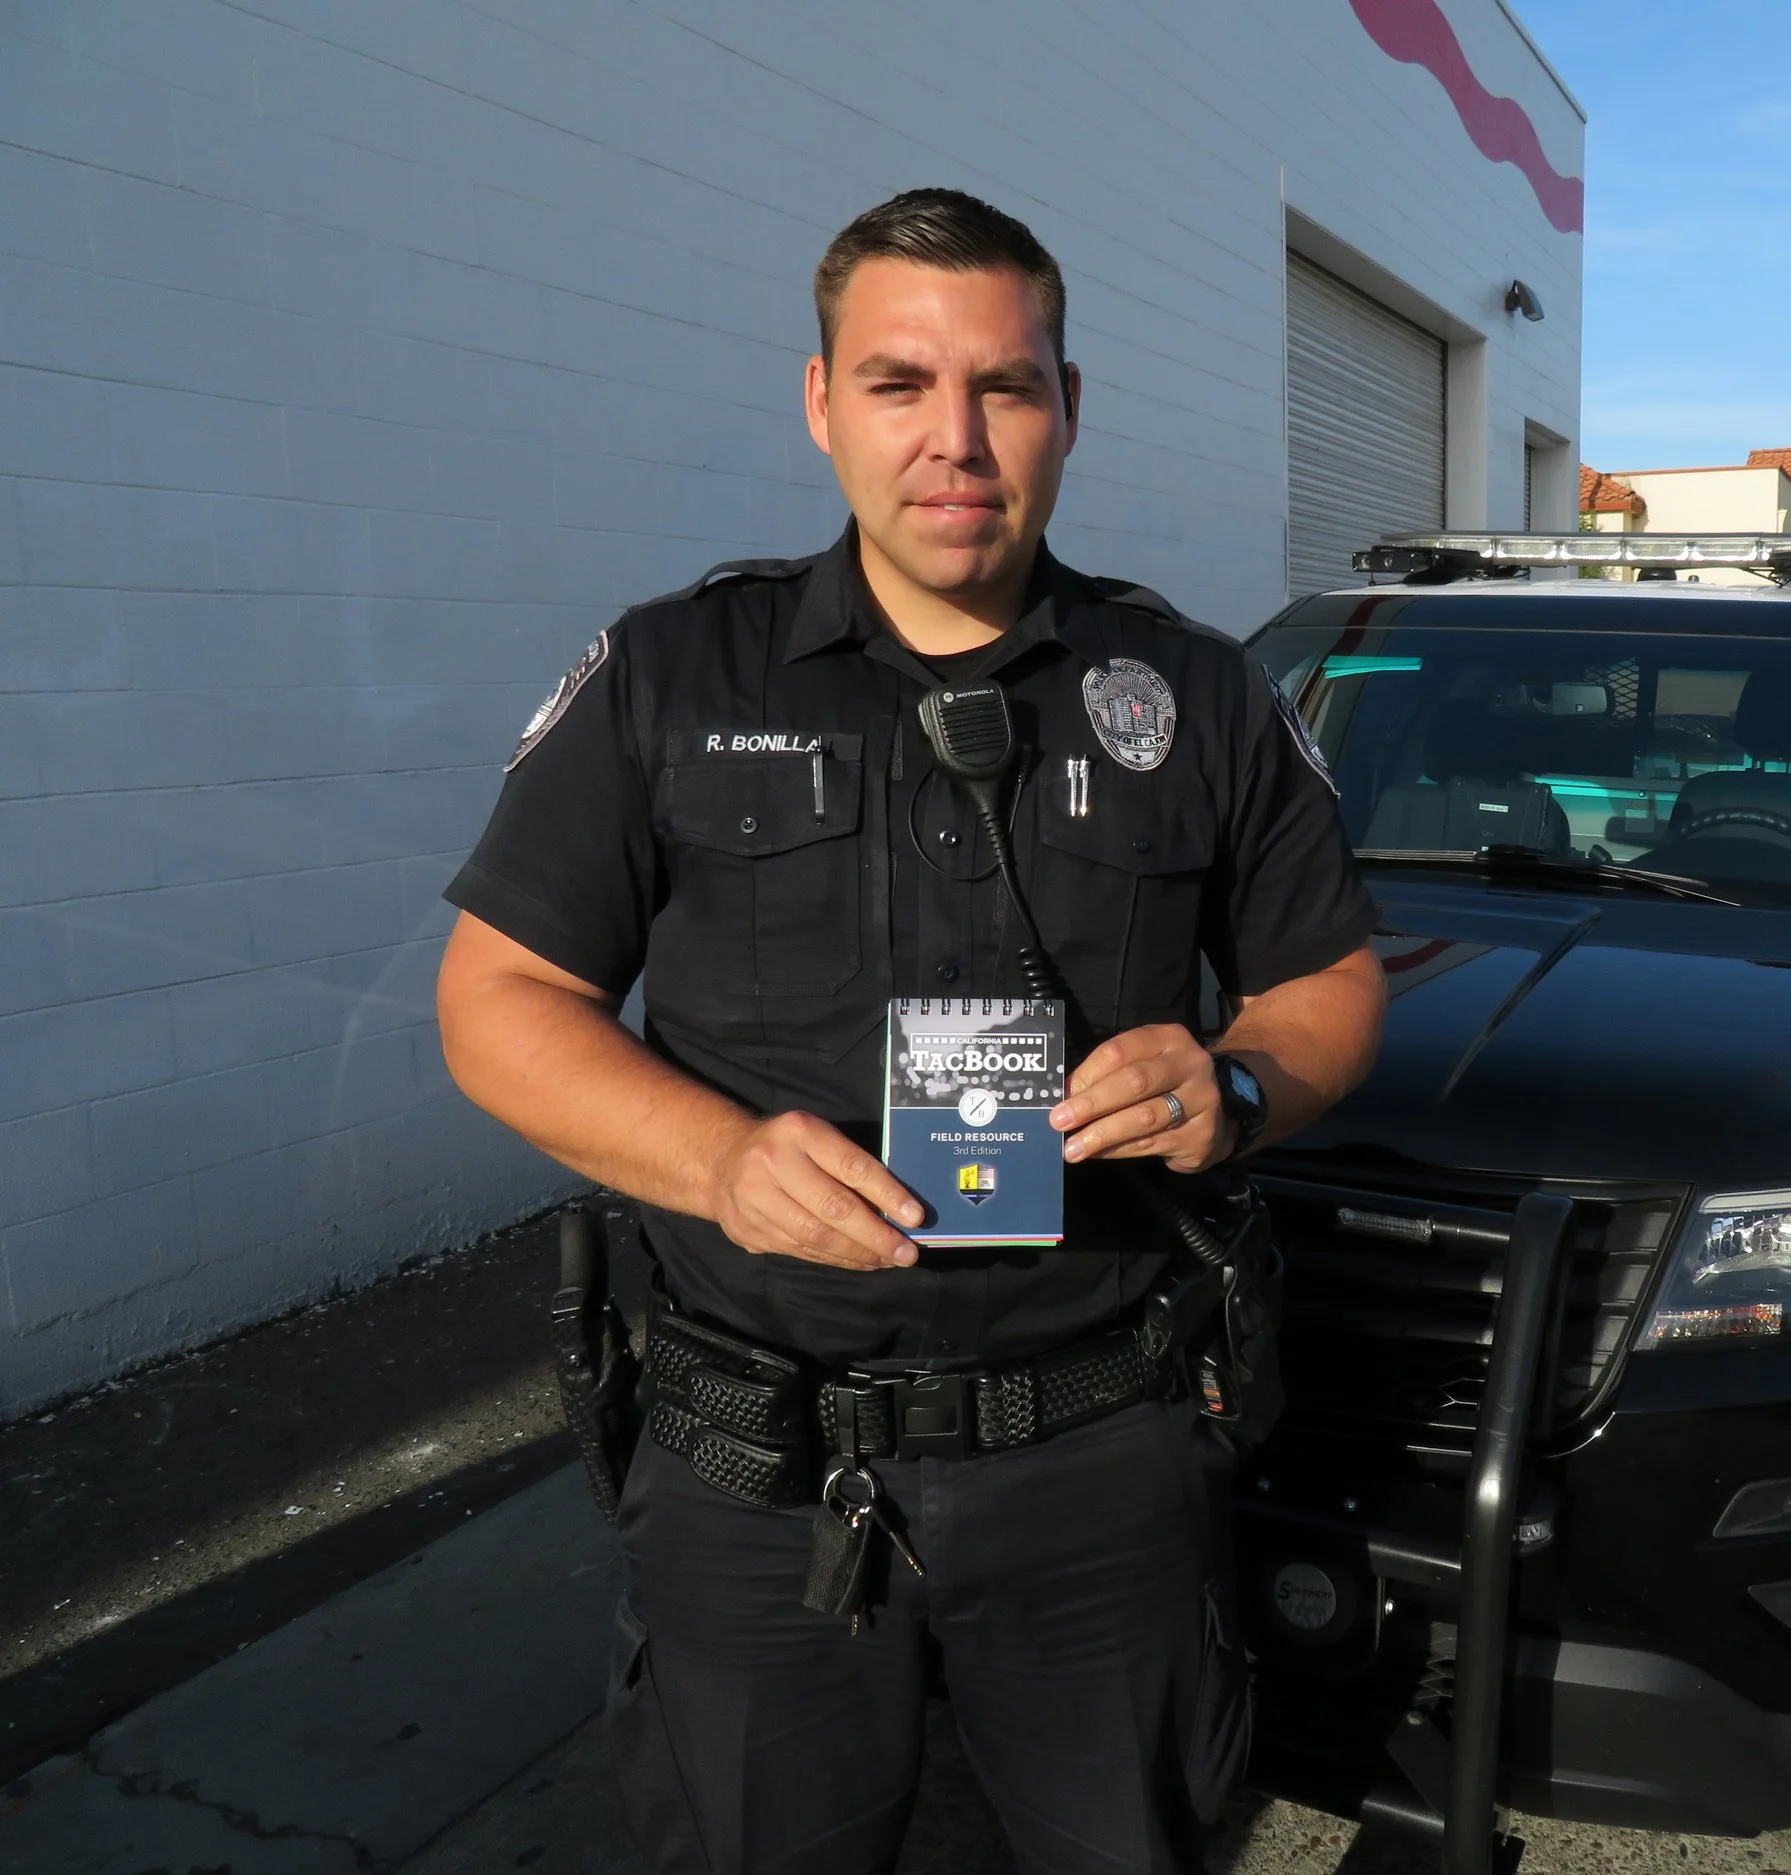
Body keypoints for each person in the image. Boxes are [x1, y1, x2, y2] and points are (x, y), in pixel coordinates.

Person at [434, 188, 1385, 1873]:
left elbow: (1330, 984)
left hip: (1105, 1459)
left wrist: (1234, 1078)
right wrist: (716, 1158)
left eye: (1006, 387)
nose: (956, 439)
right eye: (897, 383)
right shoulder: (675, 676)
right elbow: (498, 1001)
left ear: (1070, 408)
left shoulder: (1197, 692)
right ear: (820, 404)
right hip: (756, 1468)